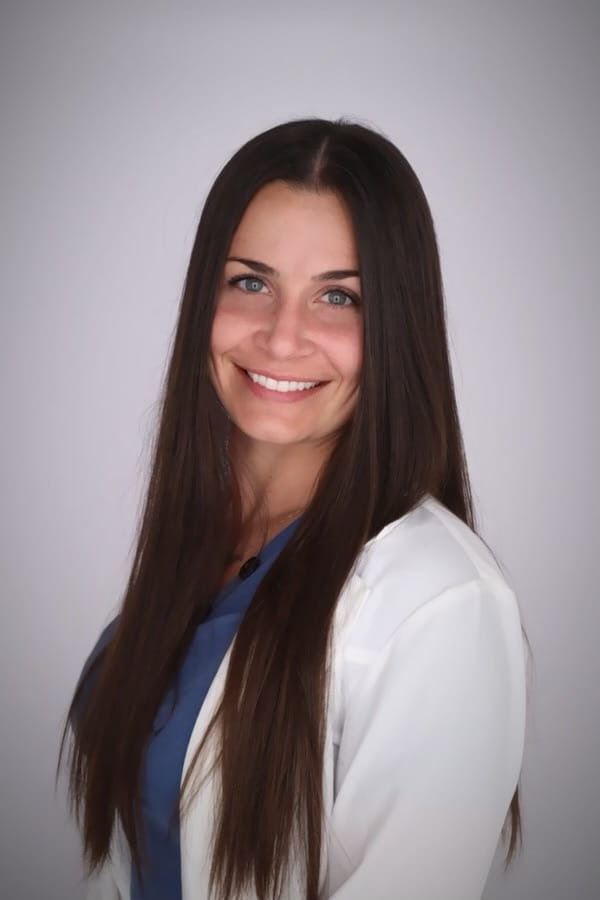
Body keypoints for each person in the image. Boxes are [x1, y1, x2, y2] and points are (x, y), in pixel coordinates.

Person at [58, 117, 528, 900]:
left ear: (396, 330)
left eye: (338, 297)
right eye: (251, 282)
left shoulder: (443, 606)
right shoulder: (199, 547)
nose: (282, 337)